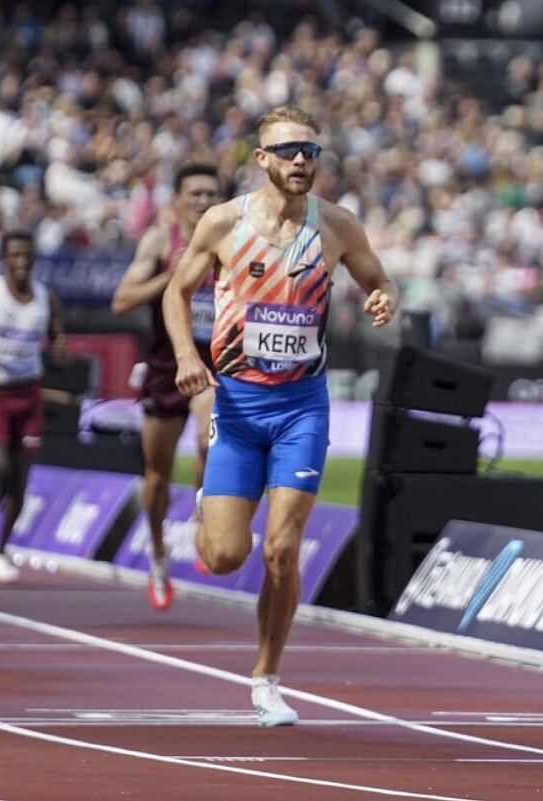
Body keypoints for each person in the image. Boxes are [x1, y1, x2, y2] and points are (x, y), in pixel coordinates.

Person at [162, 105, 399, 726]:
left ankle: (266, 678)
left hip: (301, 408)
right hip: (238, 407)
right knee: (224, 556)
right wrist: (187, 355)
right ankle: (207, 509)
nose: (300, 160)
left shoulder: (337, 225)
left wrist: (383, 298)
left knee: (281, 550)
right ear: (261, 158)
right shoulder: (223, 223)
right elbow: (175, 292)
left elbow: (381, 280)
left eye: (309, 151)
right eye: (288, 150)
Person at [112, 164, 222, 611]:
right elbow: (121, 301)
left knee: (208, 440)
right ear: (177, 201)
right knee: (156, 476)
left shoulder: (230, 241)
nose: (204, 201)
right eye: (195, 193)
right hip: (164, 367)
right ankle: (158, 556)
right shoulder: (160, 241)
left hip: (211, 365)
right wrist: (168, 278)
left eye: (211, 194)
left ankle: (201, 521)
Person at [0, 231, 65, 583]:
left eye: (26, 254)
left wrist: (59, 352)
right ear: (4, 259)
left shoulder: (46, 298)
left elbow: (58, 347)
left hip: (28, 395)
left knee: (20, 483)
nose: (21, 261)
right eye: (14, 255)